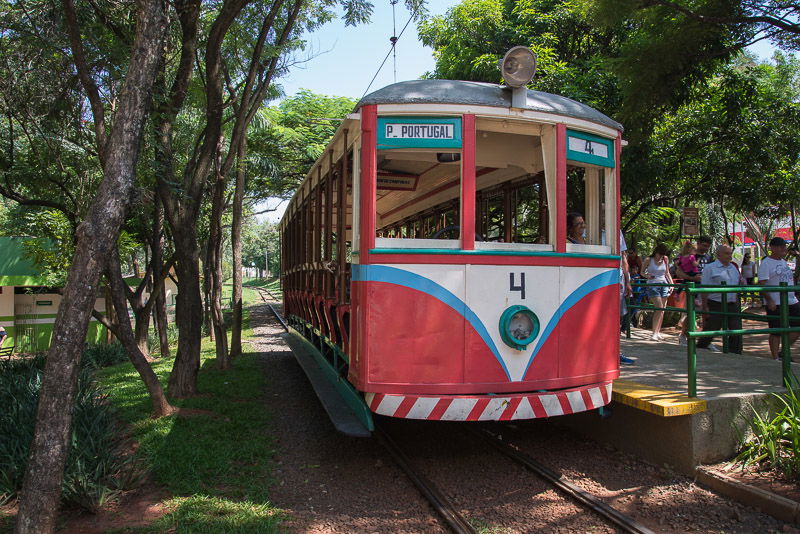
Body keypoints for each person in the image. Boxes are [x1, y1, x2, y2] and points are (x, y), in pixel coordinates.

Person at [758, 237, 800, 360]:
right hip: (776, 301)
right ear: (772, 247)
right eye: (780, 246)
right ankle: (775, 357)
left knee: (797, 326)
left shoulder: (783, 261)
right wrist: (769, 300)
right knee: (776, 330)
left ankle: (783, 350)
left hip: (791, 300)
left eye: (784, 246)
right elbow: (761, 284)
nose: (783, 248)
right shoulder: (766, 263)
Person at [696, 245, 744, 354]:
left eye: (730, 253)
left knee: (735, 328)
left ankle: (735, 353)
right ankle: (701, 347)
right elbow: (704, 288)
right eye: (727, 253)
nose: (729, 256)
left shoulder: (733, 268)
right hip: (715, 303)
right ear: (719, 254)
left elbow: (736, 286)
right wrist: (705, 306)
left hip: (731, 303)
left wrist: (736, 302)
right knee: (712, 328)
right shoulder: (710, 268)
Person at [676, 236, 714, 345]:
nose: (706, 248)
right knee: (690, 313)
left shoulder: (709, 258)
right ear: (698, 243)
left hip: (706, 289)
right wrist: (692, 278)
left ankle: (705, 340)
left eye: (708, 246)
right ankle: (684, 335)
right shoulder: (689, 255)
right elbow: (679, 272)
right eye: (704, 245)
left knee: (707, 314)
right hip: (693, 288)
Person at [643, 243, 674, 341]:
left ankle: (658, 332)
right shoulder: (648, 260)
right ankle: (654, 333)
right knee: (659, 308)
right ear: (656, 252)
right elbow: (642, 272)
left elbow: (667, 273)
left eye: (662, 254)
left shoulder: (665, 259)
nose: (660, 256)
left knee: (662, 310)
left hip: (664, 284)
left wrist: (671, 284)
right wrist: (648, 276)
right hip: (653, 285)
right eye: (659, 254)